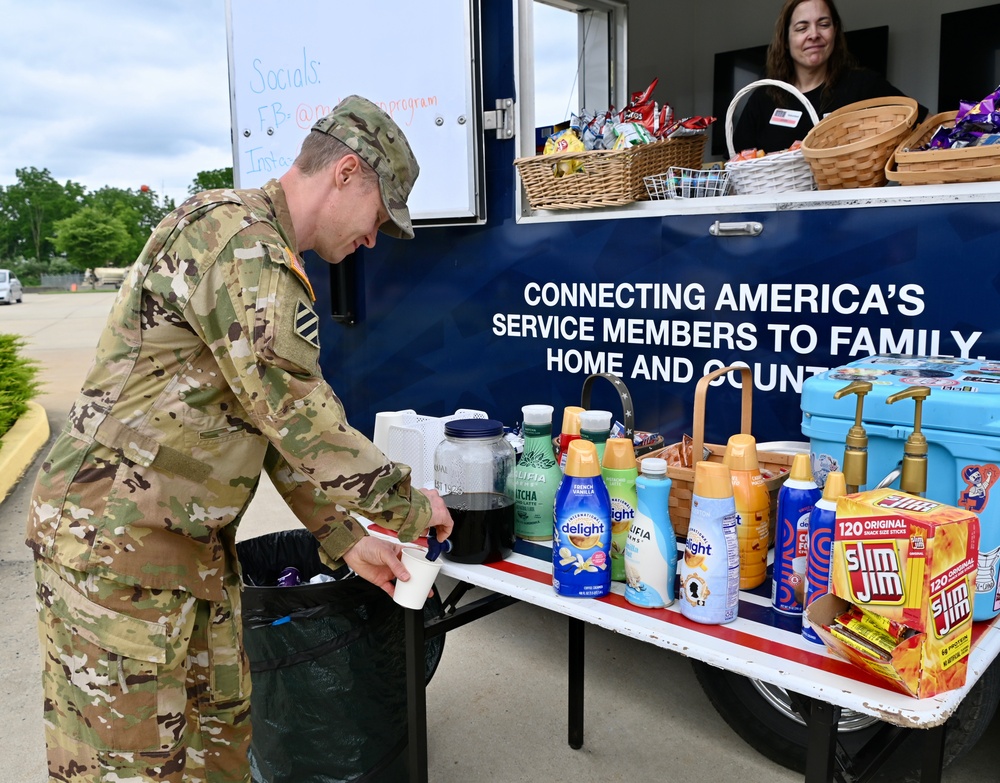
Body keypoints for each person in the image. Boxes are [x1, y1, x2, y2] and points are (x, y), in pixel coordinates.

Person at [25, 95, 454, 783]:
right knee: (127, 769)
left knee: (219, 746)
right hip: (116, 552)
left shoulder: (265, 252)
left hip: (187, 552)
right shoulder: (238, 241)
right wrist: (409, 507)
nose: (373, 239)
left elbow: (269, 427)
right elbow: (299, 418)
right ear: (346, 173)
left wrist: (345, 538)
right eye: (379, 218)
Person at [733, 0, 927, 154]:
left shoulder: (863, 86)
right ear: (785, 40)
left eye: (823, 24)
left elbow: (927, 125)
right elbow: (737, 162)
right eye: (802, 28)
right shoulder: (764, 97)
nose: (814, 34)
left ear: (835, 31)